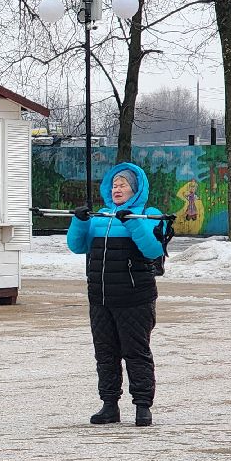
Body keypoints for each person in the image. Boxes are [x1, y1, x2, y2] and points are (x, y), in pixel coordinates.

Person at [66, 163, 165, 427]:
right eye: (114, 185)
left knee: (136, 352)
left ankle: (143, 406)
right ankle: (109, 405)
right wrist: (79, 221)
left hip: (135, 298)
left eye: (123, 185)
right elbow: (76, 247)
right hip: (101, 298)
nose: (117, 189)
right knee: (105, 354)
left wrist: (132, 222)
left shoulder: (148, 215)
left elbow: (153, 250)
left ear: (135, 189)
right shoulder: (100, 218)